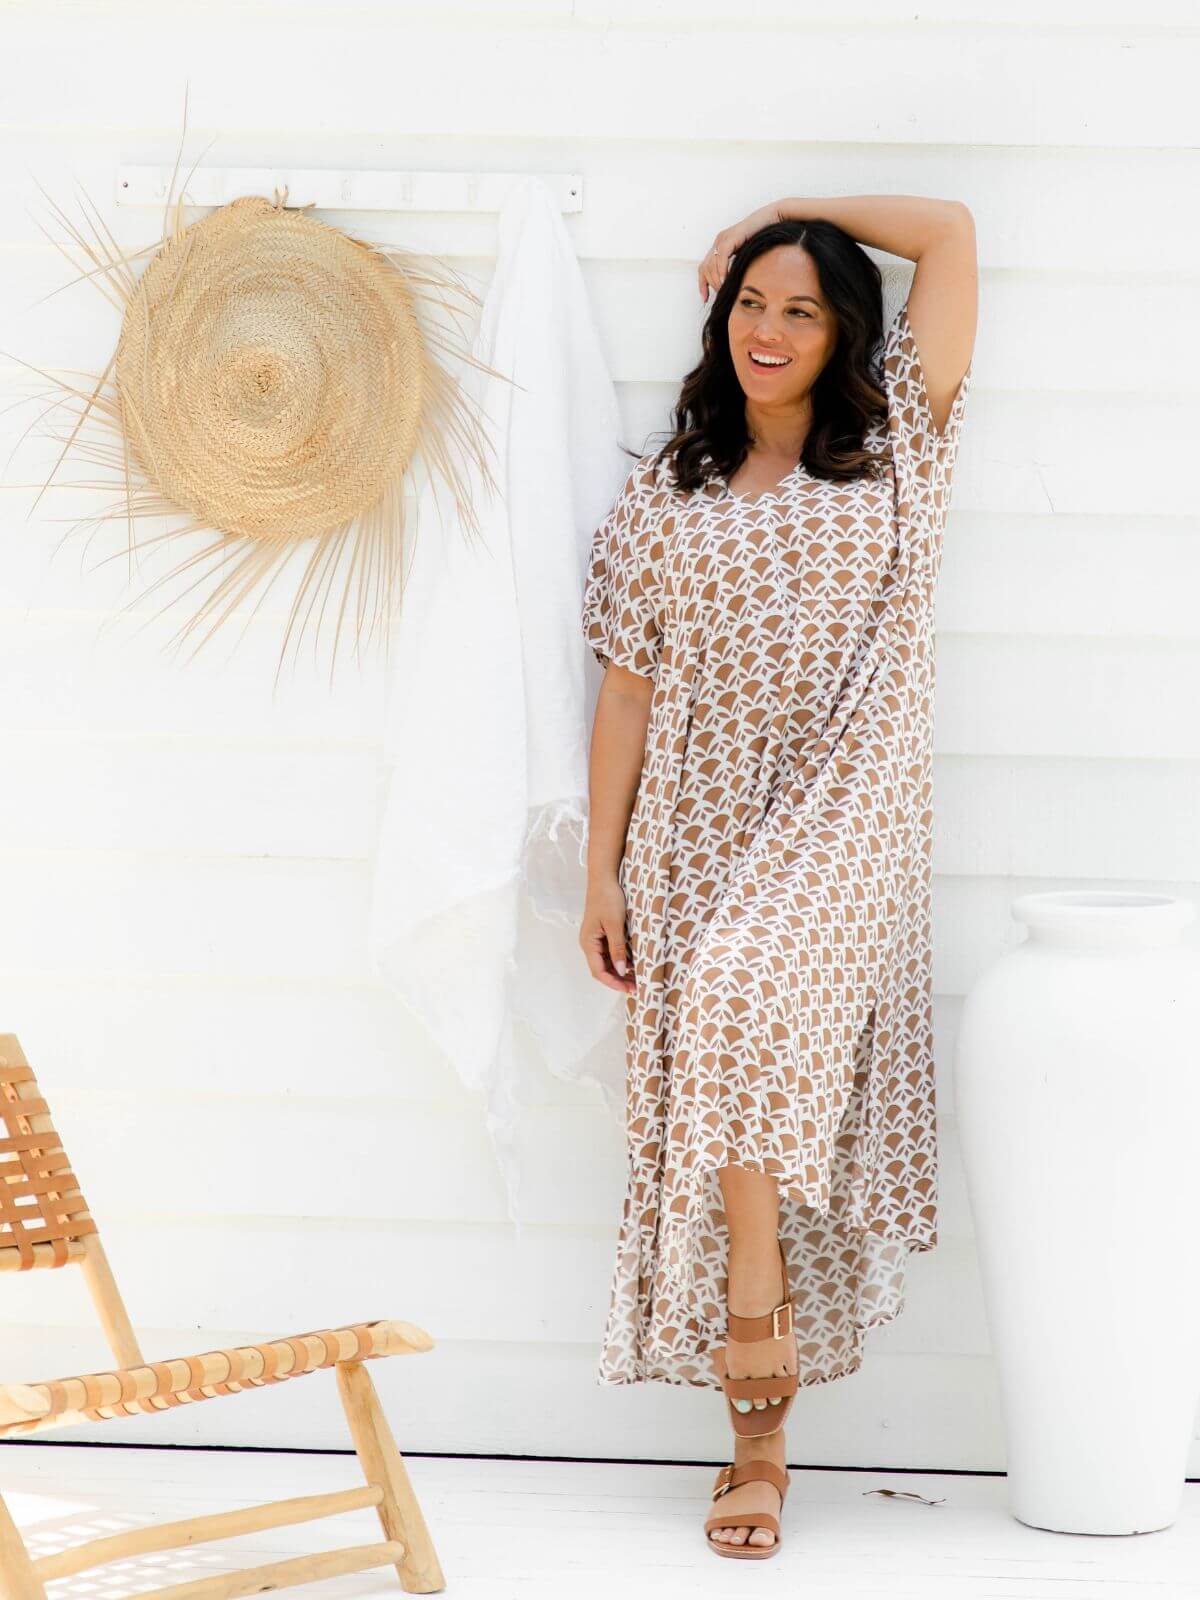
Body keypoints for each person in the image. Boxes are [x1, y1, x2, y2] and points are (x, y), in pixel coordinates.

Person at [577, 193, 978, 1560]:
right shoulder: (668, 492)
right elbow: (625, 693)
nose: (768, 327)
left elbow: (954, 232)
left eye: (801, 306)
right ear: (721, 319)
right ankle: (757, 1446)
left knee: (748, 984)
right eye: (751, 300)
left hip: (847, 809)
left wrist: (772, 215)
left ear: (843, 331)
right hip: (693, 828)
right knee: (730, 1067)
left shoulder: (902, 446)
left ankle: (759, 1311)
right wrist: (603, 873)